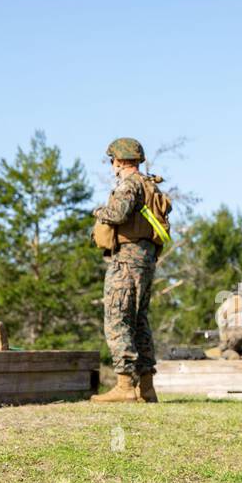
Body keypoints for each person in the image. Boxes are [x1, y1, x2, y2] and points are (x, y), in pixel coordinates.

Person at [91, 137, 161, 403]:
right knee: (139, 321)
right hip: (145, 259)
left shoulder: (130, 184)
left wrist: (99, 211)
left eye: (112, 161)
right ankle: (146, 387)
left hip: (126, 260)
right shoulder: (149, 184)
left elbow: (119, 214)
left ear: (119, 160)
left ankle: (124, 386)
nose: (112, 166)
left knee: (117, 317)